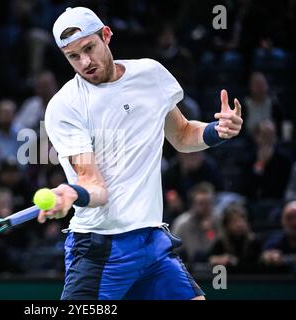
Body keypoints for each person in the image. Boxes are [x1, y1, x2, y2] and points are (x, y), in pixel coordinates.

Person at [38, 7, 243, 300]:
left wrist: (218, 131)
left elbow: (183, 135)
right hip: (100, 250)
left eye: (89, 48)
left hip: (151, 241)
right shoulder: (65, 107)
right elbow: (95, 187)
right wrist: (73, 193)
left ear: (106, 35)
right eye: (73, 56)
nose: (85, 62)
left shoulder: (150, 74)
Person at [171, 182, 220, 263]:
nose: (206, 208)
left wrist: (209, 231)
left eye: (209, 203)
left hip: (217, 270)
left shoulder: (219, 220)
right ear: (193, 204)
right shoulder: (182, 224)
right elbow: (174, 253)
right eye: (201, 204)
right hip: (190, 271)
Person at [208, 203, 262, 273]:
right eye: (235, 221)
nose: (240, 224)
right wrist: (219, 259)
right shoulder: (220, 243)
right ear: (226, 225)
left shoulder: (254, 243)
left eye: (242, 220)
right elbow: (211, 259)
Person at [261, 201, 296, 272]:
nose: (294, 223)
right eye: (289, 218)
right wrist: (267, 257)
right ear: (282, 221)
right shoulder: (274, 240)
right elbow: (264, 257)